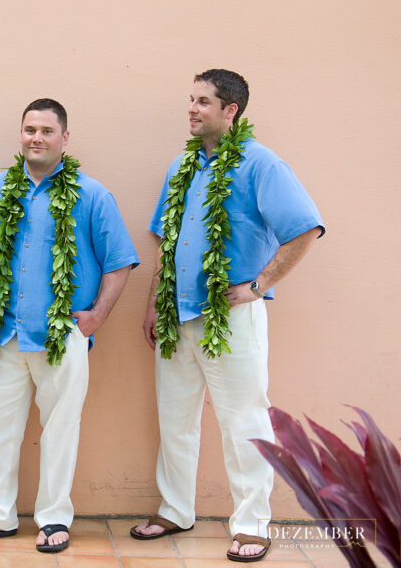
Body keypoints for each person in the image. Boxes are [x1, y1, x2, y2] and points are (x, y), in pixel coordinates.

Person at [131, 69, 324, 563]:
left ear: (231, 110)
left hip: (231, 317)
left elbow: (304, 229)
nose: (192, 109)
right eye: (191, 100)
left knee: (244, 421)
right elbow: (165, 239)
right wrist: (156, 299)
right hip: (179, 313)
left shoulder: (261, 164)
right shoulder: (183, 167)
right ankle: (175, 509)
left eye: (203, 101)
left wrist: (259, 287)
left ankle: (252, 523)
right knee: (175, 420)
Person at [0, 98, 139, 552]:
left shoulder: (92, 195)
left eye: (47, 131)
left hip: (62, 335)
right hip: (2, 332)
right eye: (30, 129)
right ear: (20, 134)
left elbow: (120, 262)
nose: (37, 138)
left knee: (60, 427)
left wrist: (96, 317)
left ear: (64, 138)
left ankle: (54, 519)